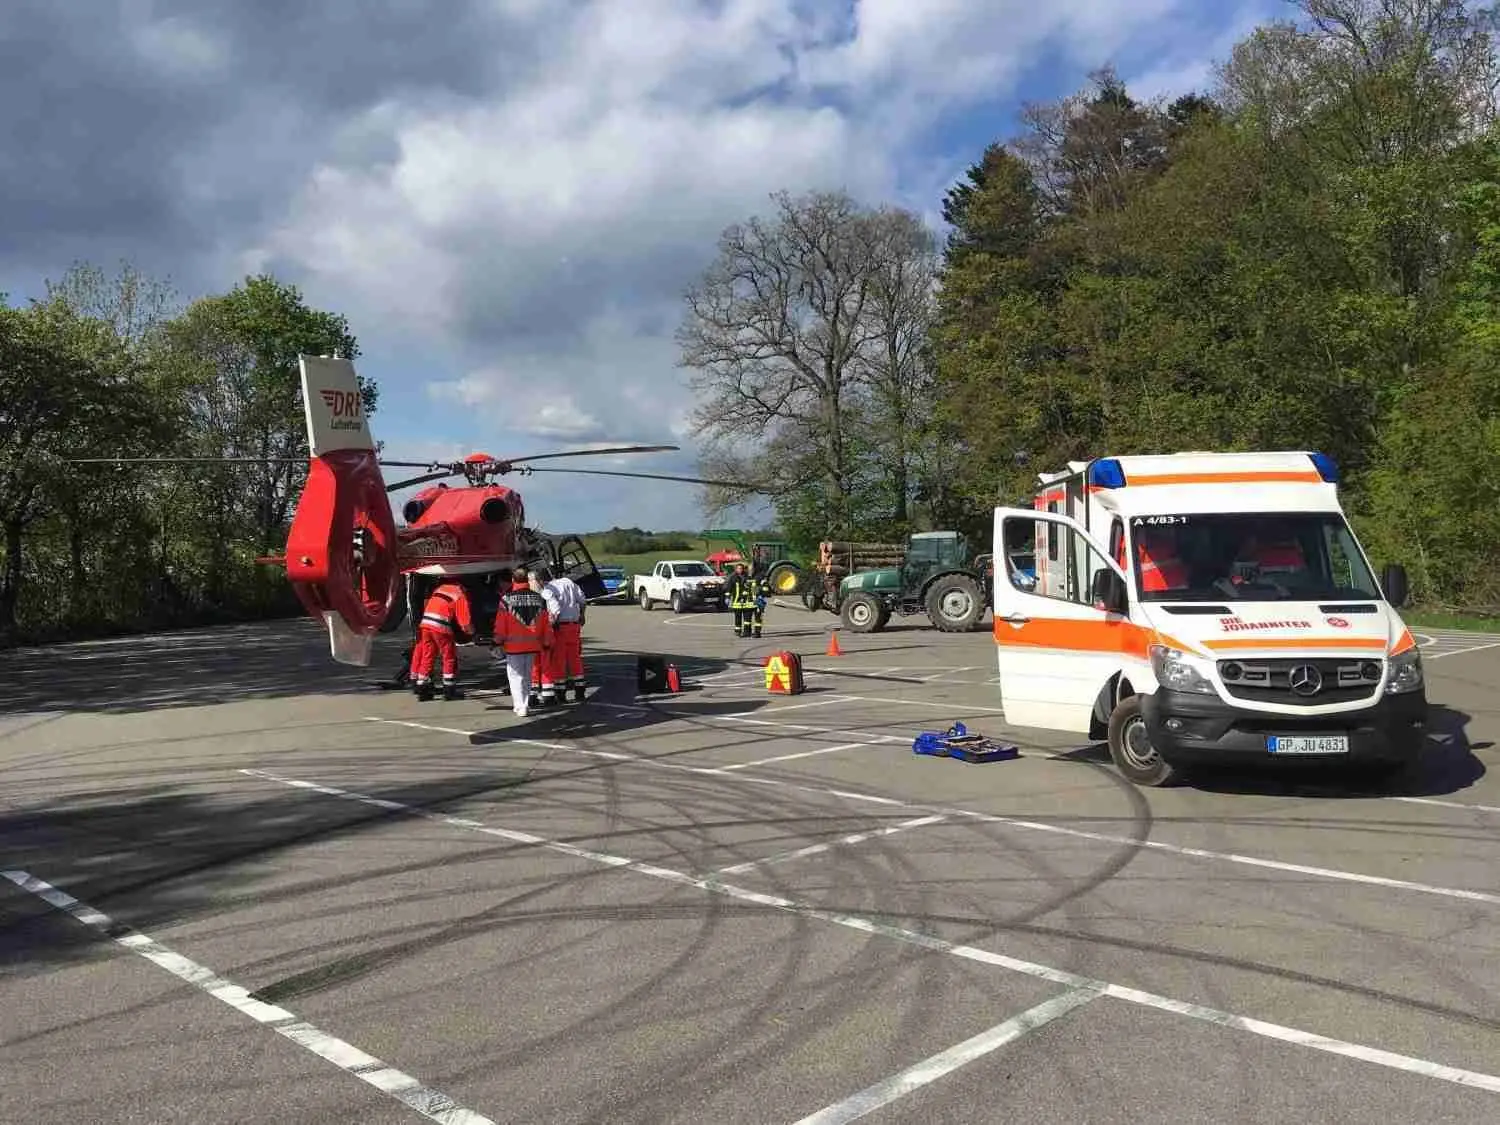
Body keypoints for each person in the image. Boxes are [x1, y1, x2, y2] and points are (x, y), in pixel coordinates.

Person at [492, 566, 553, 717]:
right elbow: (546, 623)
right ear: (527, 580)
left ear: (513, 580)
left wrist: (497, 641)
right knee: (526, 676)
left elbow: (501, 624)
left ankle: (520, 706)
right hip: (533, 645)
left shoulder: (506, 600)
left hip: (513, 647)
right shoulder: (539, 599)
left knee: (515, 677)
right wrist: (547, 641)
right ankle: (524, 704)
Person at [409, 579, 474, 701]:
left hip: (426, 624)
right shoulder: (459, 595)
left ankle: (422, 689)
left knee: (428, 655)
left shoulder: (440, 588)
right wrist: (472, 633)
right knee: (448, 657)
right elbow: (465, 623)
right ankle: (449, 690)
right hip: (440, 626)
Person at [532, 565, 589, 704]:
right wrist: (582, 615)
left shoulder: (548, 589)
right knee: (575, 658)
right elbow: (582, 600)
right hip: (574, 626)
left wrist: (551, 624)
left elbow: (555, 608)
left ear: (541, 579)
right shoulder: (570, 583)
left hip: (560, 628)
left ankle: (561, 694)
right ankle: (580, 691)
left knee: (559, 661)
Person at [727, 562, 770, 638]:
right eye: (749, 569)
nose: (750, 570)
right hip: (749, 602)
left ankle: (757, 633)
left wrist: (762, 595)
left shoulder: (760, 577)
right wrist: (743, 597)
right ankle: (747, 632)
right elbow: (745, 588)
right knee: (747, 619)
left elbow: (766, 588)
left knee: (758, 619)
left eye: (752, 569)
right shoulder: (747, 577)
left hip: (758, 601)